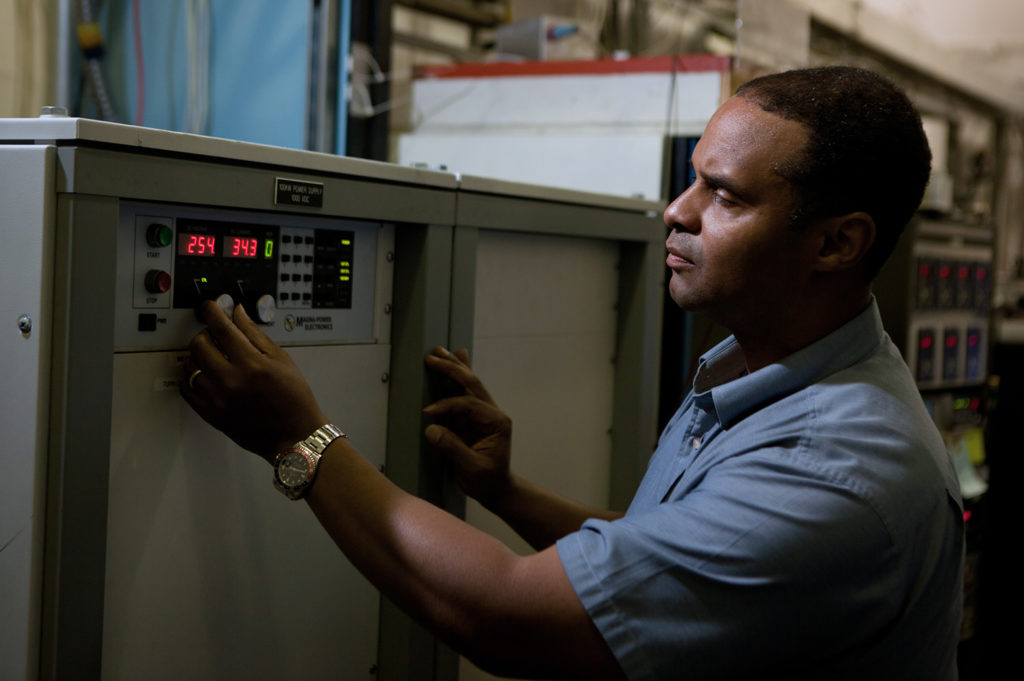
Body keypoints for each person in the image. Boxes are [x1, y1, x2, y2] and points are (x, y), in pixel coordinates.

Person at [181, 65, 963, 680]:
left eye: (722, 194)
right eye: (691, 178)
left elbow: (507, 618)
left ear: (836, 243)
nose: (675, 210)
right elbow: (671, 569)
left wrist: (301, 439)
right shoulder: (769, 372)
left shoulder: (834, 466)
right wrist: (508, 494)